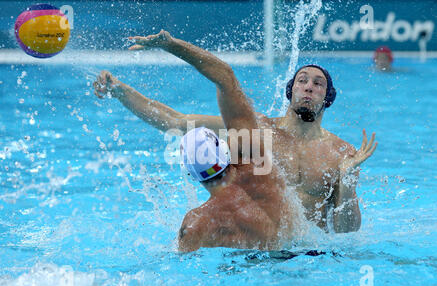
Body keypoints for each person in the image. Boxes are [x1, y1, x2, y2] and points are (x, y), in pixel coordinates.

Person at [93, 30, 377, 234]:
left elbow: (346, 232)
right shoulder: (257, 131)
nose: (309, 87)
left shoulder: (342, 153)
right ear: (291, 91)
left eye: (318, 84)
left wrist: (348, 181)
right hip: (257, 249)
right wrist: (120, 91)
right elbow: (176, 121)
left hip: (312, 254)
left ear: (327, 98)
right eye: (302, 80)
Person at [177, 126, 293, 252]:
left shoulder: (196, 223)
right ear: (225, 151)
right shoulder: (262, 173)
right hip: (295, 254)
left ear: (188, 172)